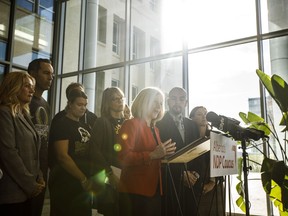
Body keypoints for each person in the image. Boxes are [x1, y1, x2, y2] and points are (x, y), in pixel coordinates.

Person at [117, 87, 176, 216]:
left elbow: (155, 156)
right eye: (154, 102)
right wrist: (152, 155)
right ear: (144, 102)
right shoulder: (130, 124)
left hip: (154, 190)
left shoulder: (155, 129)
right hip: (135, 192)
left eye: (161, 103)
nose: (158, 107)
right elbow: (122, 157)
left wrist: (164, 154)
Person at [0, 71, 45, 215]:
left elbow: (33, 152)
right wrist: (31, 184)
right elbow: (9, 154)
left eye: (32, 86)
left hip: (27, 192)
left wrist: (39, 176)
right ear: (14, 87)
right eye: (27, 86)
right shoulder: (4, 113)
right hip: (12, 194)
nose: (32, 90)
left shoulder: (24, 114)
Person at [48, 89, 94, 216]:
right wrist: (83, 179)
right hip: (66, 182)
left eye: (85, 105)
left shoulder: (85, 126)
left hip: (83, 183)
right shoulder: (61, 124)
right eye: (79, 105)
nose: (83, 108)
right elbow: (62, 156)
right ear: (69, 104)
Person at [156, 87, 200, 216]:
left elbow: (199, 153)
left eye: (181, 99)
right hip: (170, 183)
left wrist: (195, 175)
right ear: (168, 101)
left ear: (185, 103)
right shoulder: (158, 123)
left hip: (191, 183)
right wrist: (181, 175)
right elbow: (160, 156)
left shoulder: (192, 125)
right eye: (174, 99)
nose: (177, 102)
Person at [89, 87, 126, 216]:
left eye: (121, 98)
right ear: (107, 103)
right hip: (109, 176)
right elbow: (95, 151)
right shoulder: (102, 122)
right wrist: (110, 173)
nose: (120, 101)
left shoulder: (127, 122)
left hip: (127, 175)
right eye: (115, 99)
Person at [28, 58, 54, 216]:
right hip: (25, 169)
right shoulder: (22, 101)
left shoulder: (45, 103)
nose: (50, 77)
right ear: (32, 74)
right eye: (46, 73)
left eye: (52, 74)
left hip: (42, 168)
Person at [189, 106, 225, 216]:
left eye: (205, 113)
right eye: (199, 114)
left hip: (215, 187)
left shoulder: (216, 136)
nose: (204, 116)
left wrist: (213, 183)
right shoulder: (188, 137)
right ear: (191, 118)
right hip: (194, 187)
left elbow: (221, 161)